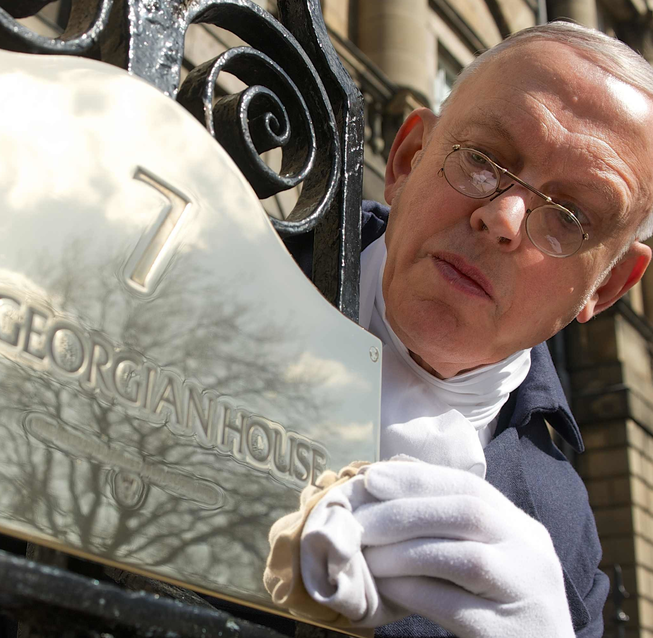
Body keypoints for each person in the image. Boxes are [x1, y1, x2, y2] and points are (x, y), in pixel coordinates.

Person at [273, 20, 653, 638]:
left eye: (569, 216)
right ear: (405, 161)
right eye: (483, 159)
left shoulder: (569, 539)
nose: (502, 217)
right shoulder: (211, 275)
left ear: (605, 288)